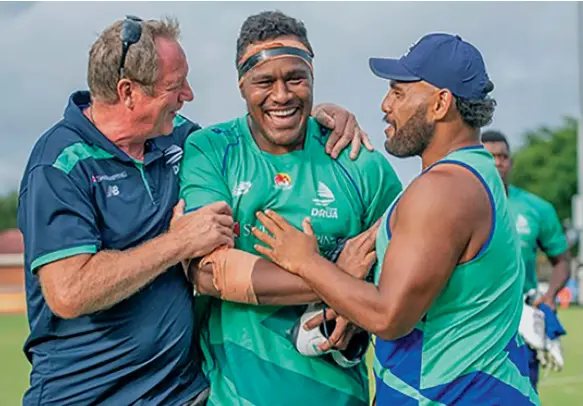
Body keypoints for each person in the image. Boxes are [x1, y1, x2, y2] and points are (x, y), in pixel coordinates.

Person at [17, 15, 371, 406]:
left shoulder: (178, 138)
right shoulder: (60, 165)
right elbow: (69, 293)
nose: (189, 94)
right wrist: (178, 242)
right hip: (86, 396)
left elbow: (258, 127)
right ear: (128, 92)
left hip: (182, 394)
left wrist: (317, 114)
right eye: (175, 85)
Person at [253, 33, 541, 405]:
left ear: (440, 103)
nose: (385, 105)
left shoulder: (443, 190)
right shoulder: (472, 173)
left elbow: (390, 316)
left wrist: (305, 262)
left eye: (399, 92)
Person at [179, 10, 402, 406]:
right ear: (242, 84)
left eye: (295, 78)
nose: (281, 95)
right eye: (264, 81)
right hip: (235, 397)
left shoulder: (356, 159)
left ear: (312, 78)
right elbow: (210, 273)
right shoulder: (211, 150)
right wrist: (339, 279)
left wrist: (355, 296)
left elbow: (401, 268)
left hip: (338, 396)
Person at [482, 130, 570, 389]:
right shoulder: (459, 204)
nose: (498, 163)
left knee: (523, 394)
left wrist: (550, 295)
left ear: (511, 161)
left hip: (522, 321)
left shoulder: (536, 208)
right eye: (490, 157)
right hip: (477, 320)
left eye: (503, 156)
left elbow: (562, 261)